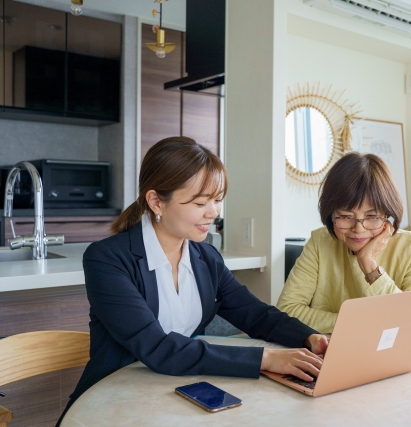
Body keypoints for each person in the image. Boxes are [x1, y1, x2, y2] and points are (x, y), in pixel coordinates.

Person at [59, 137, 327, 425]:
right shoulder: (107, 260)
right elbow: (158, 348)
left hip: (178, 393)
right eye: (200, 202)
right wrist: (266, 360)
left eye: (217, 200)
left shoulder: (206, 257)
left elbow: (257, 315)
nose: (213, 212)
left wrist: (311, 339)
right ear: (155, 201)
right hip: (112, 401)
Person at [276, 152, 411, 334]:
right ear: (331, 215)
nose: (359, 229)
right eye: (345, 216)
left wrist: (369, 265)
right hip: (329, 351)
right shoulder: (320, 242)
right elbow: (287, 310)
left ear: (388, 215)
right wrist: (360, 323)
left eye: (372, 217)